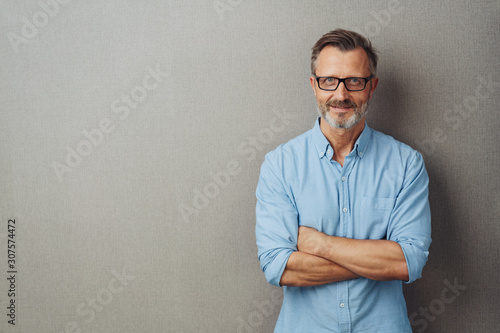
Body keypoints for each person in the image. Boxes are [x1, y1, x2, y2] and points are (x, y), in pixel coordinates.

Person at [255, 29, 432, 332]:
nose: (340, 94)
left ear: (372, 87)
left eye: (354, 81)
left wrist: (318, 244)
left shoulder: (406, 164)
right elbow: (278, 267)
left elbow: (408, 262)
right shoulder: (280, 166)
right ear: (314, 85)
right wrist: (376, 261)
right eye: (329, 81)